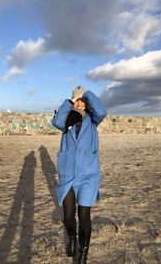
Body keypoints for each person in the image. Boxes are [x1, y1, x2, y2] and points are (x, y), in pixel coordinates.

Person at [51, 86, 107, 263]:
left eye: (83, 101)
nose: (80, 103)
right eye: (77, 100)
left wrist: (86, 95)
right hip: (68, 174)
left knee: (84, 214)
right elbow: (57, 122)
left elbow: (102, 110)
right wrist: (70, 102)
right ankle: (73, 239)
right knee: (68, 215)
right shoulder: (66, 122)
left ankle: (83, 253)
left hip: (88, 174)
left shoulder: (93, 119)